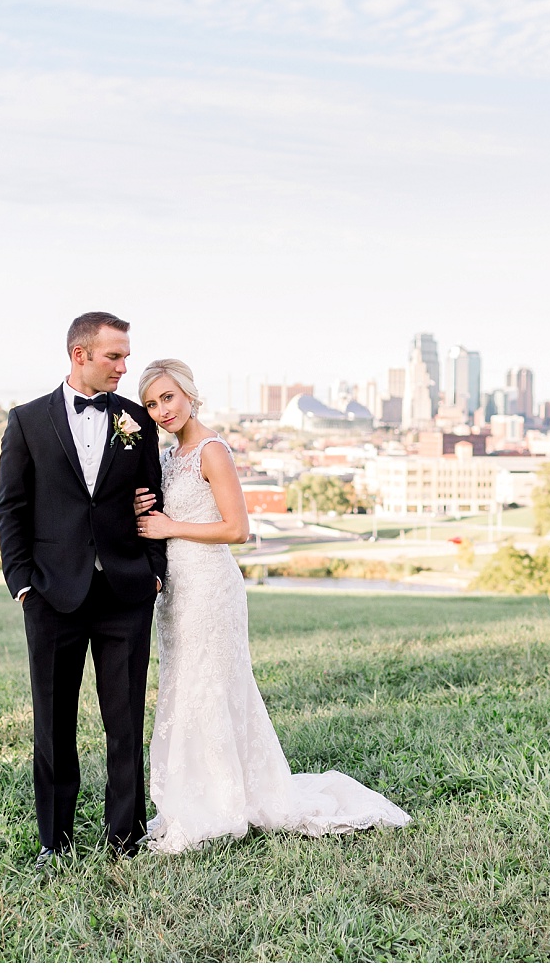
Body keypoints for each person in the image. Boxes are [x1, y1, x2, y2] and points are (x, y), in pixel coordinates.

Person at [133, 359, 408, 854]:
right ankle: (199, 796)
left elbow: (238, 530)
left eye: (168, 397)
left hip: (210, 586)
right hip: (178, 590)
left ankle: (221, 803)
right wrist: (150, 514)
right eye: (152, 404)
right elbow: (177, 512)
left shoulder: (211, 451)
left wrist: (169, 526)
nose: (161, 411)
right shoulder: (173, 456)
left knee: (211, 684)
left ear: (191, 393)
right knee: (185, 685)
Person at [0, 312, 167, 870]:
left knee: (125, 724)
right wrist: (22, 583)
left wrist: (154, 570)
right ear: (79, 355)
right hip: (52, 595)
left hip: (124, 592)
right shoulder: (26, 422)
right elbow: (12, 509)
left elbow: (153, 499)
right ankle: (55, 841)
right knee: (52, 723)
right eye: (113, 357)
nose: (124, 367)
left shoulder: (137, 421)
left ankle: (126, 836)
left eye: (125, 356)